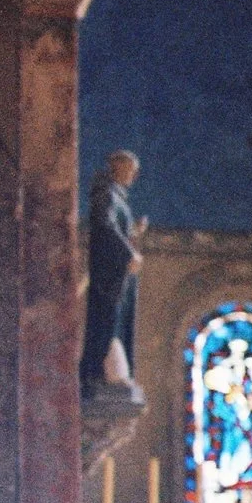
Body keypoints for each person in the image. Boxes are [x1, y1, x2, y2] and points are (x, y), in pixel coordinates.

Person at [83, 151, 145, 397]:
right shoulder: (106, 194)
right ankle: (101, 375)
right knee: (106, 322)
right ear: (117, 167)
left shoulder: (117, 196)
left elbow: (115, 229)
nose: (133, 176)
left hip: (118, 275)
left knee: (115, 322)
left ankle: (114, 374)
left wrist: (133, 232)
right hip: (109, 276)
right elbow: (106, 227)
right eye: (129, 169)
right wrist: (128, 253)